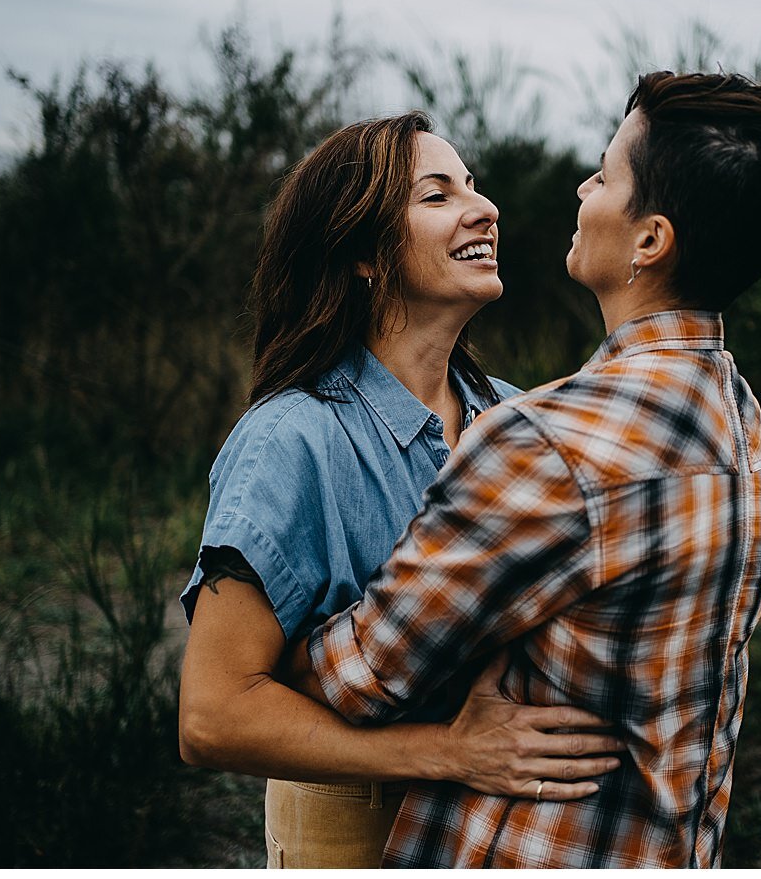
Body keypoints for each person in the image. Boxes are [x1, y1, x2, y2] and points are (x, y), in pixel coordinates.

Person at [284, 71, 761, 867]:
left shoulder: (547, 443)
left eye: (606, 175)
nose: (584, 186)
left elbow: (362, 674)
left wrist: (263, 648)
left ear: (650, 240)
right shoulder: (747, 432)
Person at [176, 112, 625, 868]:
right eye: (437, 196)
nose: (484, 209)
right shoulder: (290, 441)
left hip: (500, 832)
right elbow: (214, 715)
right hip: (356, 833)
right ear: (362, 253)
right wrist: (449, 752)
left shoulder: (517, 418)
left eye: (475, 188)